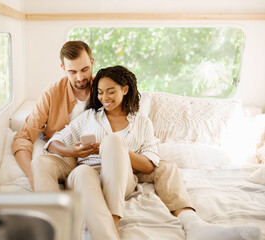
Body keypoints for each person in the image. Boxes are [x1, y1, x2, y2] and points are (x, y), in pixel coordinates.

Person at [34, 66, 261, 240]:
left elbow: (151, 165)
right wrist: (72, 150)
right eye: (100, 92)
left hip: (122, 178)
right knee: (57, 166)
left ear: (125, 89)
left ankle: (114, 222)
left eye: (110, 91)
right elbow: (54, 142)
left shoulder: (142, 123)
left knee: (114, 142)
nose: (104, 98)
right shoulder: (89, 117)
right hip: (86, 173)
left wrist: (117, 149)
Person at [11, 41, 94, 188]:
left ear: (92, 62)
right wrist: (33, 176)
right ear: (63, 68)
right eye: (72, 72)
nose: (80, 77)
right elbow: (23, 138)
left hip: (94, 157)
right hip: (63, 154)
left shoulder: (104, 89)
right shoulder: (51, 94)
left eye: (85, 69)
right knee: (41, 165)